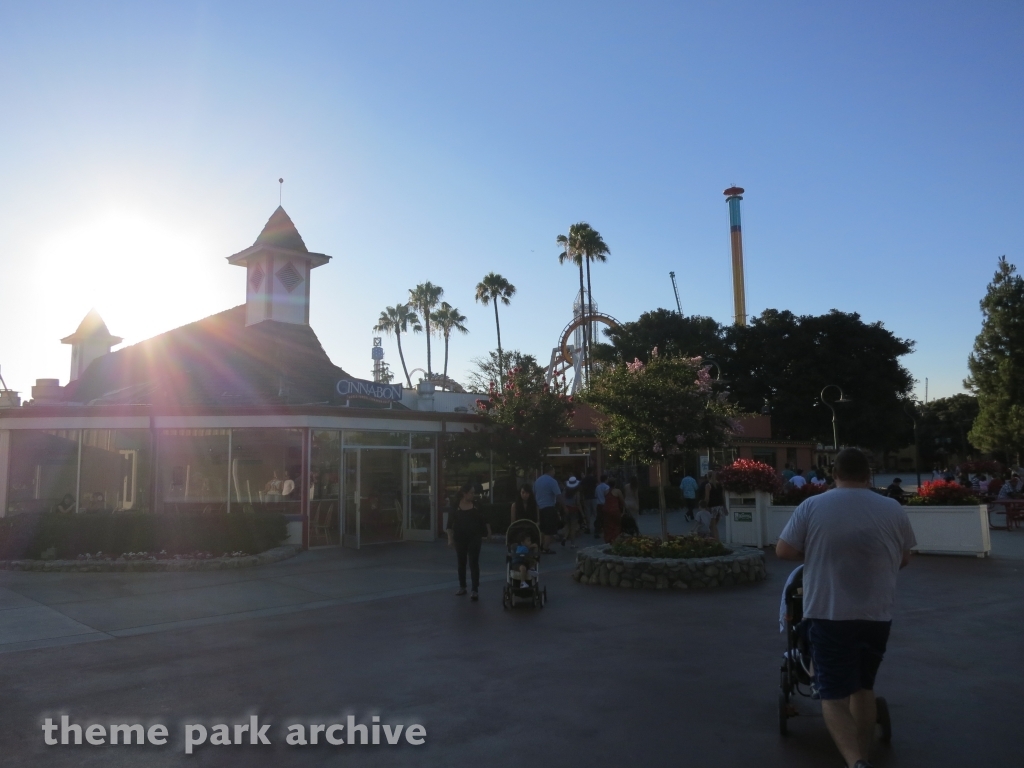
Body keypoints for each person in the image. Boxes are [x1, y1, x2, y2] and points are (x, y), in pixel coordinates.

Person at [776, 448, 915, 768]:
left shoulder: (813, 505)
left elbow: (784, 551)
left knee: (833, 695)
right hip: (877, 614)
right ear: (868, 474)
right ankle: (863, 755)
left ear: (833, 474)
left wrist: (818, 554)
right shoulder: (892, 508)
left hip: (830, 613)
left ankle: (856, 762)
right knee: (863, 687)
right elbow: (904, 558)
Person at [446, 483, 491, 600]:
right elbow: (449, 524)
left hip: (474, 537)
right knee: (461, 562)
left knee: (473, 562)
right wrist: (450, 539)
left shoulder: (476, 505)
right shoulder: (456, 505)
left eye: (473, 493)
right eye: (471, 492)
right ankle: (462, 586)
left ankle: (475, 589)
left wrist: (488, 532)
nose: (473, 495)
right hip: (460, 537)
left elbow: (485, 519)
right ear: (464, 493)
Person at [533, 465, 563, 554]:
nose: (554, 473)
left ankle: (541, 545)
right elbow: (558, 495)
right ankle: (545, 548)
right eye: (554, 471)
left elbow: (534, 493)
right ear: (551, 471)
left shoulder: (537, 481)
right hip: (549, 507)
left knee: (542, 528)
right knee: (549, 530)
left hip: (540, 508)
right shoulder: (552, 481)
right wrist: (563, 507)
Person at [562, 477, 583, 548]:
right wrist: (582, 513)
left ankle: (564, 537)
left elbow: (562, 500)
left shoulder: (565, 491)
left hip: (566, 509)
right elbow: (578, 503)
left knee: (567, 525)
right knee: (573, 528)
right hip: (574, 510)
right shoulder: (577, 493)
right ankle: (572, 544)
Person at [704, 471, 726, 540]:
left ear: (708, 476)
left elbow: (707, 498)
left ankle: (716, 540)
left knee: (713, 526)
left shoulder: (708, 485)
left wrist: (704, 505)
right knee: (713, 525)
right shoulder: (720, 485)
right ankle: (713, 539)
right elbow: (723, 496)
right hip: (720, 507)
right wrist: (725, 506)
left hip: (712, 506)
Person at [602, 479, 624, 543]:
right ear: (615, 484)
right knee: (617, 524)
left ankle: (608, 538)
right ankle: (615, 538)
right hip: (615, 510)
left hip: (606, 510)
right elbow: (622, 501)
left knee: (608, 525)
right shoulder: (617, 491)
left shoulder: (606, 491)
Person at [594, 474, 610, 539]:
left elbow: (595, 495)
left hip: (599, 504)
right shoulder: (607, 487)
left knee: (598, 518)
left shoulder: (597, 487)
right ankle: (606, 531)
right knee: (606, 518)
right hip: (605, 504)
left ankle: (597, 531)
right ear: (606, 479)